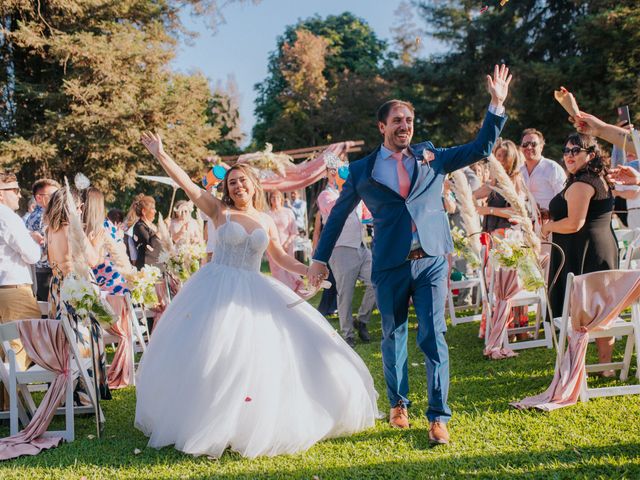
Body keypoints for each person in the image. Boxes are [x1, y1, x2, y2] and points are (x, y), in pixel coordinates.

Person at [135, 132, 378, 459]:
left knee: (253, 358)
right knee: (213, 356)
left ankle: (244, 421)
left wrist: (309, 271)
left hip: (252, 289)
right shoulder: (218, 211)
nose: (237, 186)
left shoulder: (265, 219)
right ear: (227, 189)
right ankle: (207, 420)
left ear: (253, 186)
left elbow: (278, 257)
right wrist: (161, 154)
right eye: (232, 183)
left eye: (242, 181)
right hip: (215, 288)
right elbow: (189, 186)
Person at [309, 64, 511, 445]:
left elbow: (480, 147)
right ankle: (399, 404)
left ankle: (438, 416)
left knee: (434, 336)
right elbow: (336, 216)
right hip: (390, 263)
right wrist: (320, 258)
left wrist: (496, 106)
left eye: (410, 120)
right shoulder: (361, 170)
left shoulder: (431, 156)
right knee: (393, 334)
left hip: (433, 260)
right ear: (381, 127)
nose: (405, 125)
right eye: (397, 120)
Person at [543, 133, 618, 375]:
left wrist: (548, 227)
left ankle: (583, 367)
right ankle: (604, 366)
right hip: (599, 248)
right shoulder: (594, 178)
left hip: (584, 251)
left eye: (576, 151)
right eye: (566, 151)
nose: (569, 155)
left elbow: (574, 223)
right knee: (600, 308)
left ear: (591, 155)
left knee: (584, 308)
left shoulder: (583, 182)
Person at [316, 154, 376, 347]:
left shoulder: (354, 191)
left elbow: (366, 215)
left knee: (377, 281)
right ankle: (347, 334)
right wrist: (344, 186)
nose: (340, 174)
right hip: (341, 249)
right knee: (345, 294)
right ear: (330, 175)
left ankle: (362, 320)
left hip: (361, 247)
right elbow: (336, 210)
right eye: (336, 172)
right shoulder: (325, 195)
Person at [0, 172, 42, 370]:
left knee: (3, 355)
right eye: (15, 190)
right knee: (19, 351)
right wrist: (35, 242)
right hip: (14, 292)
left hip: (5, 290)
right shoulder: (8, 217)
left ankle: (7, 402)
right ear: (1, 193)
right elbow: (32, 255)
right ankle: (12, 402)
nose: (19, 195)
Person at [475, 139, 531, 234]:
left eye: (505, 156)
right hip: (490, 232)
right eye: (498, 156)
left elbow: (517, 211)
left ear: (512, 158)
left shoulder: (516, 178)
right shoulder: (495, 181)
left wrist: (489, 210)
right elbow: (473, 195)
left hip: (508, 236)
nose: (501, 159)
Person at [81, 187, 129, 295]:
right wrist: (120, 237)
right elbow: (121, 250)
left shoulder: (78, 229)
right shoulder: (106, 226)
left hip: (90, 283)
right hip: (113, 282)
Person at [24, 178, 60, 301]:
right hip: (46, 272)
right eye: (53, 195)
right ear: (39, 198)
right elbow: (44, 248)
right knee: (48, 312)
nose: (57, 198)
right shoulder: (41, 217)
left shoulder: (46, 215)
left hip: (45, 271)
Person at [519, 128, 566, 212]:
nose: (529, 147)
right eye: (525, 144)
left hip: (549, 222)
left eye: (533, 144)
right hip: (524, 222)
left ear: (541, 146)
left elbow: (564, 197)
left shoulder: (552, 168)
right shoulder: (518, 170)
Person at [266, 190, 302, 291]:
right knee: (278, 272)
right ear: (270, 200)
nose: (275, 199)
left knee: (289, 269)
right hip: (273, 247)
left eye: (278, 197)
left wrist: (287, 243)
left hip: (287, 245)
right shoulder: (267, 214)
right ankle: (281, 292)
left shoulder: (288, 212)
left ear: (281, 199)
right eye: (273, 197)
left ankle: (292, 291)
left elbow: (294, 231)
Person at [131, 194, 162, 270]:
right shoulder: (139, 227)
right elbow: (149, 246)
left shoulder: (153, 225)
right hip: (146, 267)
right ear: (144, 211)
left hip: (157, 264)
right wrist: (160, 231)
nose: (155, 211)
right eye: (153, 209)